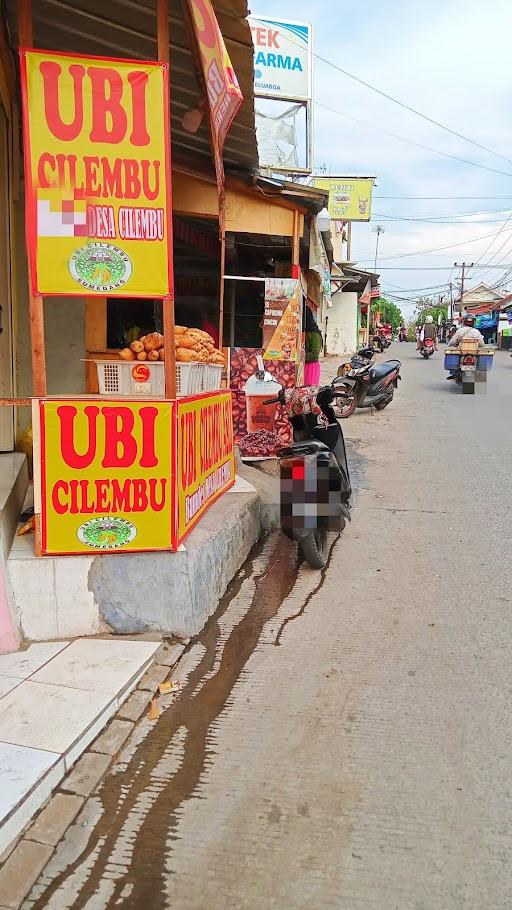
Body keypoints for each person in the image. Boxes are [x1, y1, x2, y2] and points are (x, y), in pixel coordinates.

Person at [446, 313, 485, 379]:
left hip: (462, 352)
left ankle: (454, 373)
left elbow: (452, 342)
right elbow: (481, 344)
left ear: (464, 321)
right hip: (473, 353)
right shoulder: (477, 331)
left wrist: (450, 344)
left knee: (454, 356)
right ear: (474, 322)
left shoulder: (460, 330)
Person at [304, 306, 323, 386]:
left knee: (308, 392)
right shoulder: (305, 332)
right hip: (304, 366)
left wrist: (300, 356)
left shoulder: (314, 334)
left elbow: (314, 354)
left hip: (311, 367)